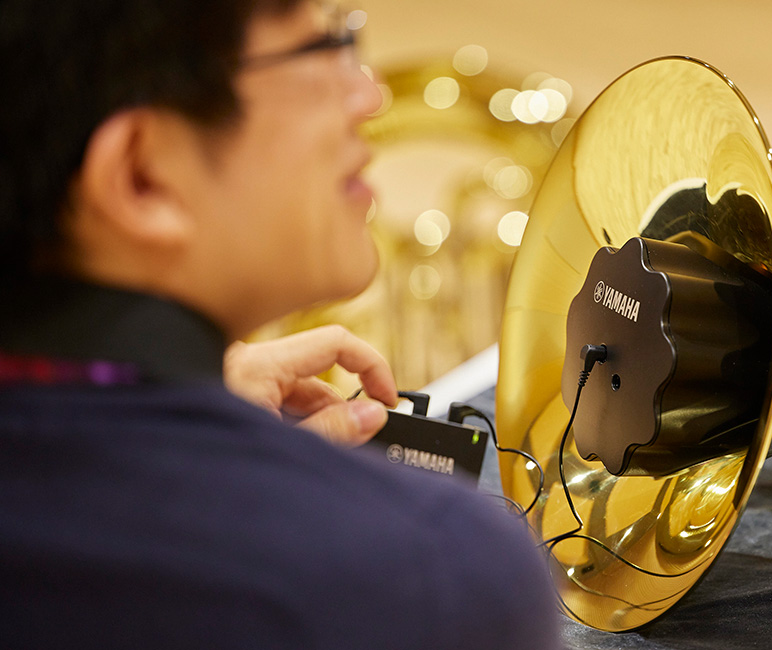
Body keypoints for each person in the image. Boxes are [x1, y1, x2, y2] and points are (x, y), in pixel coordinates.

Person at [0, 0, 561, 647]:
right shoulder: (423, 576)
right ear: (142, 177)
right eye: (322, 50)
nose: (371, 96)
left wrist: (193, 404)